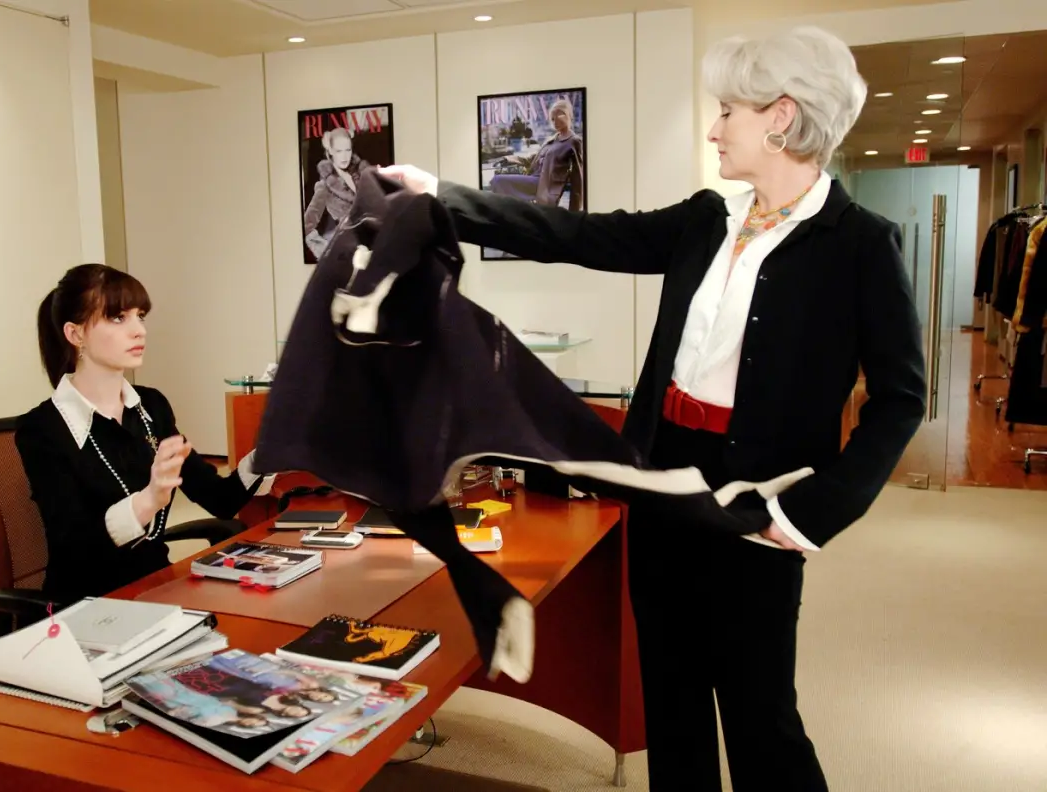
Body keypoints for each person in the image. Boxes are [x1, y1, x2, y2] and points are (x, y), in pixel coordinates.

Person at [380, 26, 926, 792]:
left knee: (760, 716)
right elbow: (577, 233)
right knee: (670, 700)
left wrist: (811, 514)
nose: (714, 128)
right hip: (663, 483)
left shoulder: (860, 245)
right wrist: (442, 198)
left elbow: (902, 399)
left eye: (727, 111)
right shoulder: (707, 219)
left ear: (781, 117)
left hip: (755, 503)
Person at [16, 264, 275, 606]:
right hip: (87, 608)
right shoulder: (42, 429)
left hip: (157, 592)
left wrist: (271, 451)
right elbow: (76, 550)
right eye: (118, 318)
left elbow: (220, 499)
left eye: (140, 316)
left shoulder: (151, 407)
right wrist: (148, 500)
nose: (139, 330)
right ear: (75, 334)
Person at [490, 97, 584, 211]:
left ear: (568, 115)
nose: (555, 122)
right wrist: (508, 158)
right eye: (552, 119)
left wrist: (574, 213)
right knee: (498, 182)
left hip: (545, 186)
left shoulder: (574, 141)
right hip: (534, 179)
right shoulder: (552, 139)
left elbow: (578, 179)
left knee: (498, 181)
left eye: (558, 117)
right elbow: (533, 158)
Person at [303, 127, 370, 259]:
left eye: (347, 150)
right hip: (348, 251)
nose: (344, 156)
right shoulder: (325, 185)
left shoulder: (363, 172)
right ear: (330, 151)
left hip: (371, 246)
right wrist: (328, 252)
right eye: (339, 151)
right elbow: (307, 226)